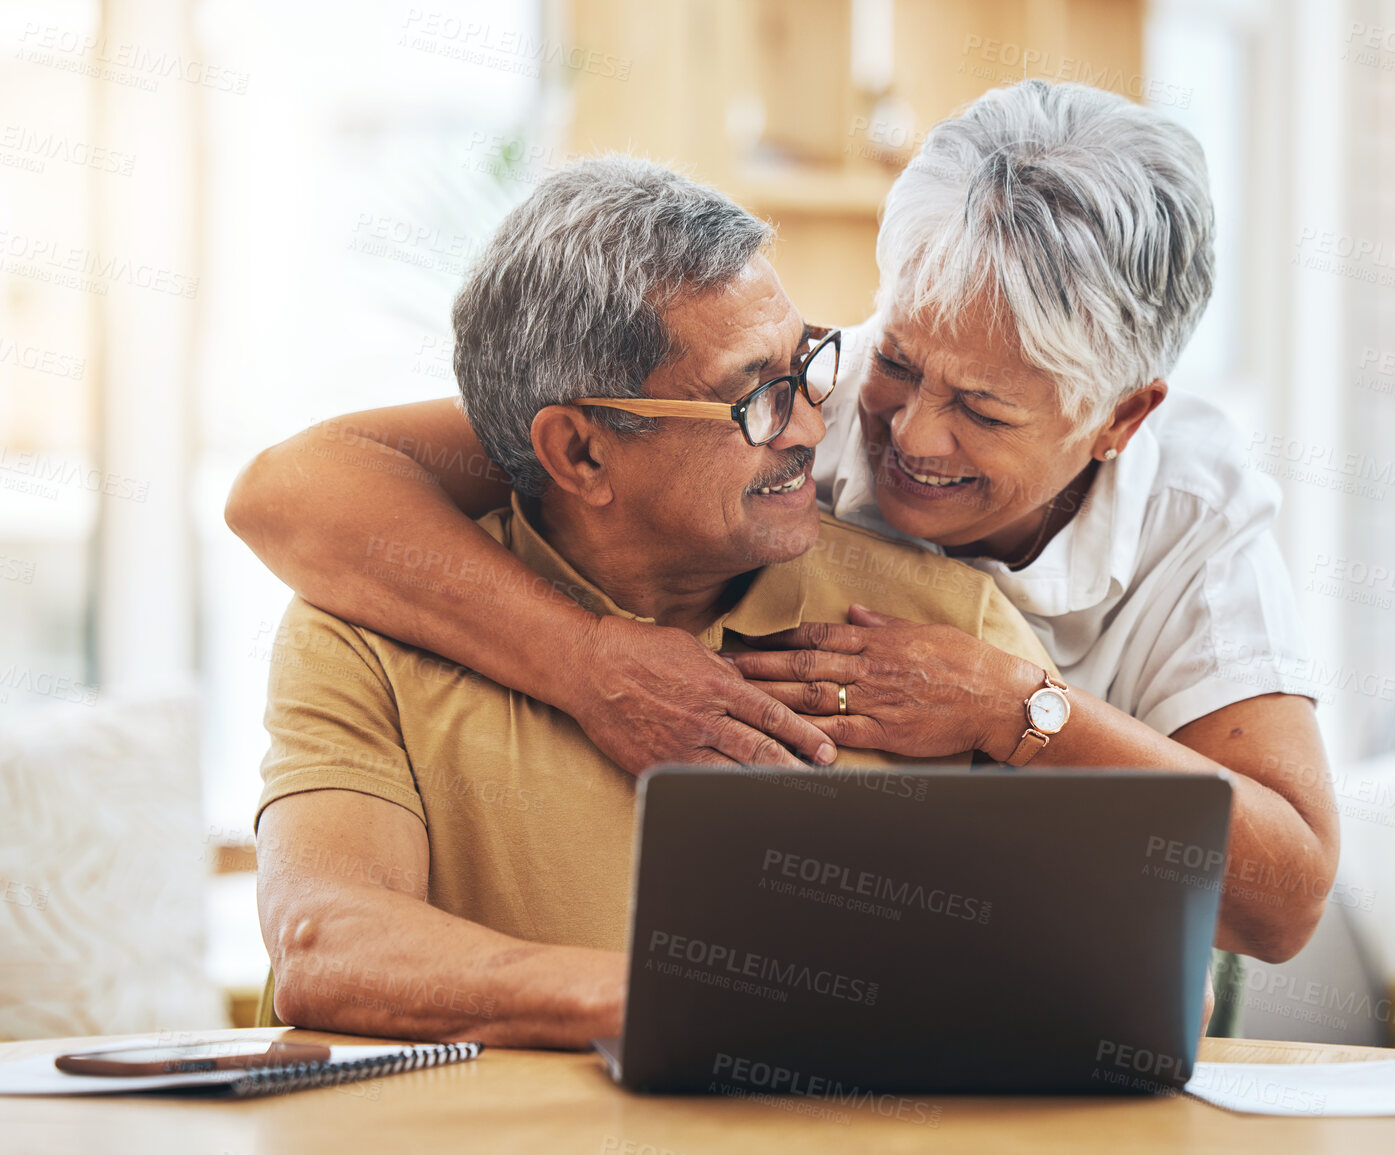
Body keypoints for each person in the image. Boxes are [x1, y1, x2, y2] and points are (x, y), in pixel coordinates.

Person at [230, 81, 1337, 966]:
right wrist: (592, 662)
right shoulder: (795, 380)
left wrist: (1018, 712)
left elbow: (1279, 905)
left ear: (1119, 419)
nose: (906, 433)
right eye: (897, 361)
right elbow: (301, 489)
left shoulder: (1186, 514)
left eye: (986, 409)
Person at [249, 156, 1058, 1047]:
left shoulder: (954, 630)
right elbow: (327, 943)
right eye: (754, 397)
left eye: (805, 368)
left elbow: (1106, 972)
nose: (810, 430)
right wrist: (676, 1000)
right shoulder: (365, 630)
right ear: (582, 454)